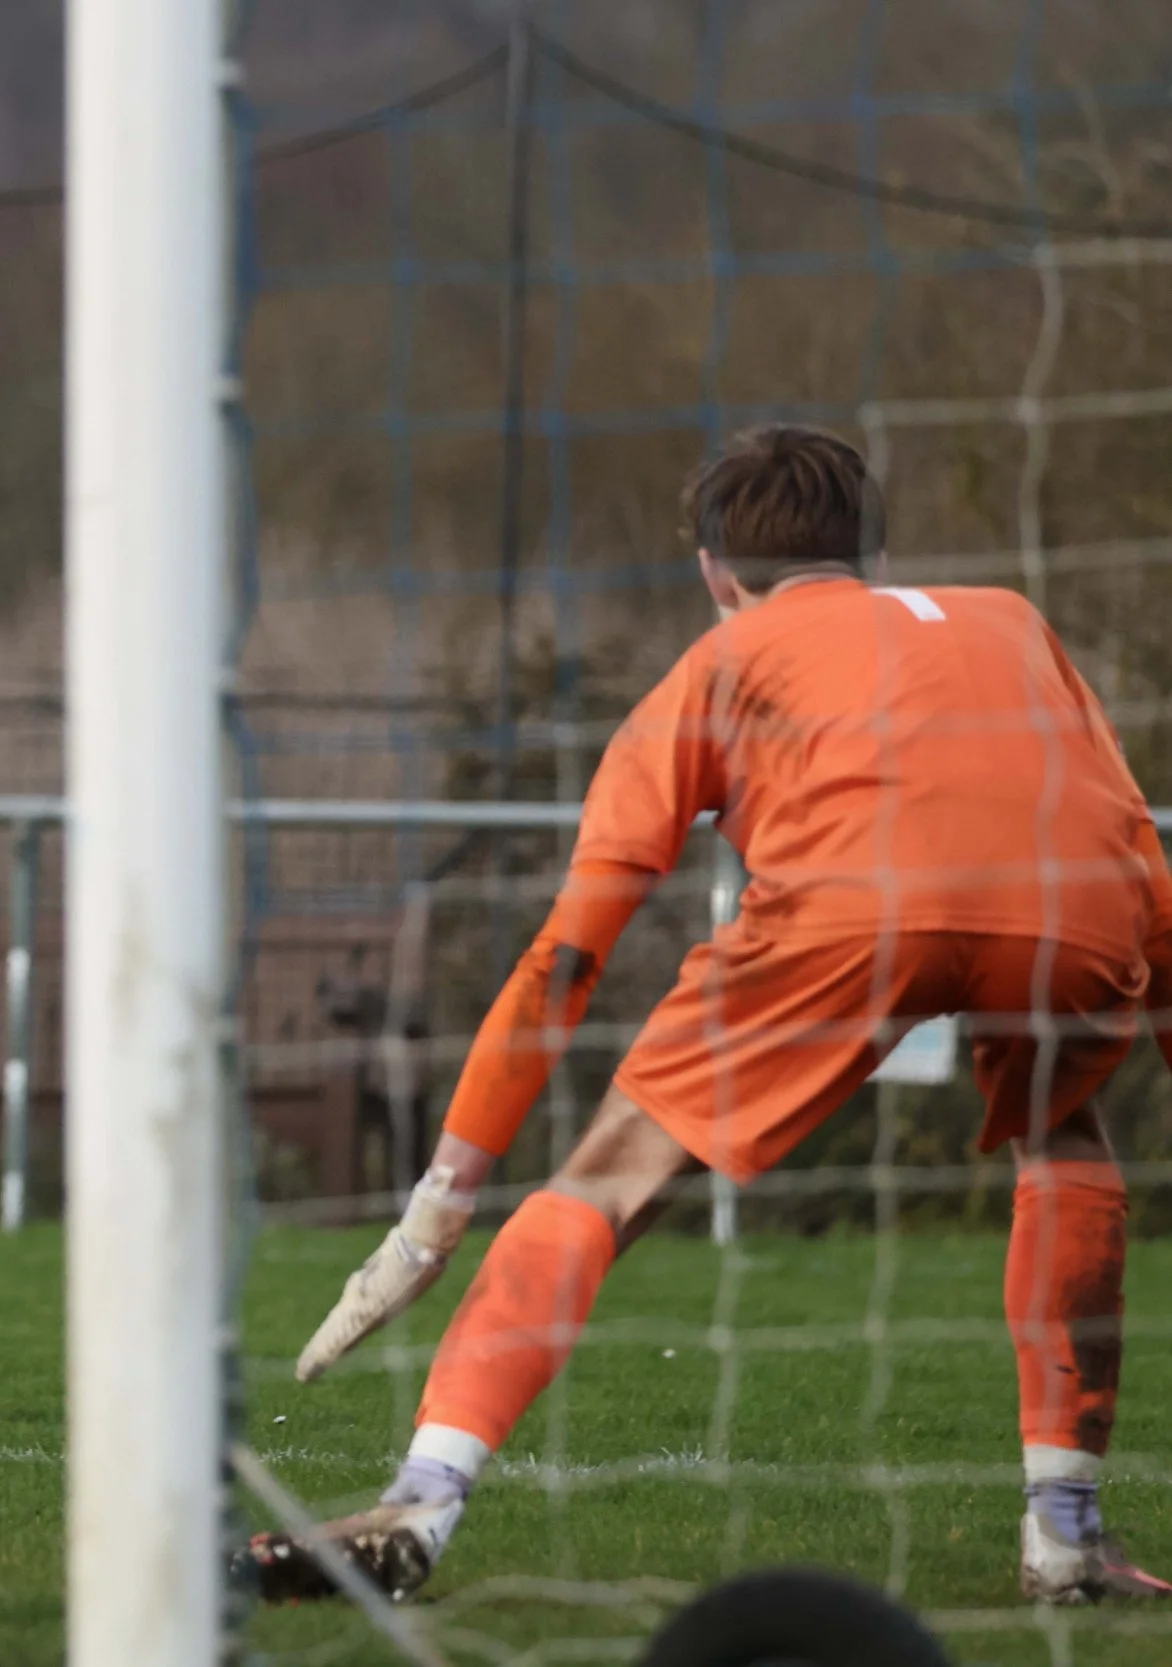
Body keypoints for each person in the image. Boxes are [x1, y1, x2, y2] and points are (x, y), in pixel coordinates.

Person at [256, 426, 1171, 1605]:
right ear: (871, 556)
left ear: (713, 570)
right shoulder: (1012, 621)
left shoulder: (722, 658)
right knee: (1064, 1141)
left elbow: (563, 957)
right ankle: (1064, 1533)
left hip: (851, 914)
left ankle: (420, 1502)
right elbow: (1134, 841)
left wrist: (434, 1214)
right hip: (1075, 911)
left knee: (603, 1181)